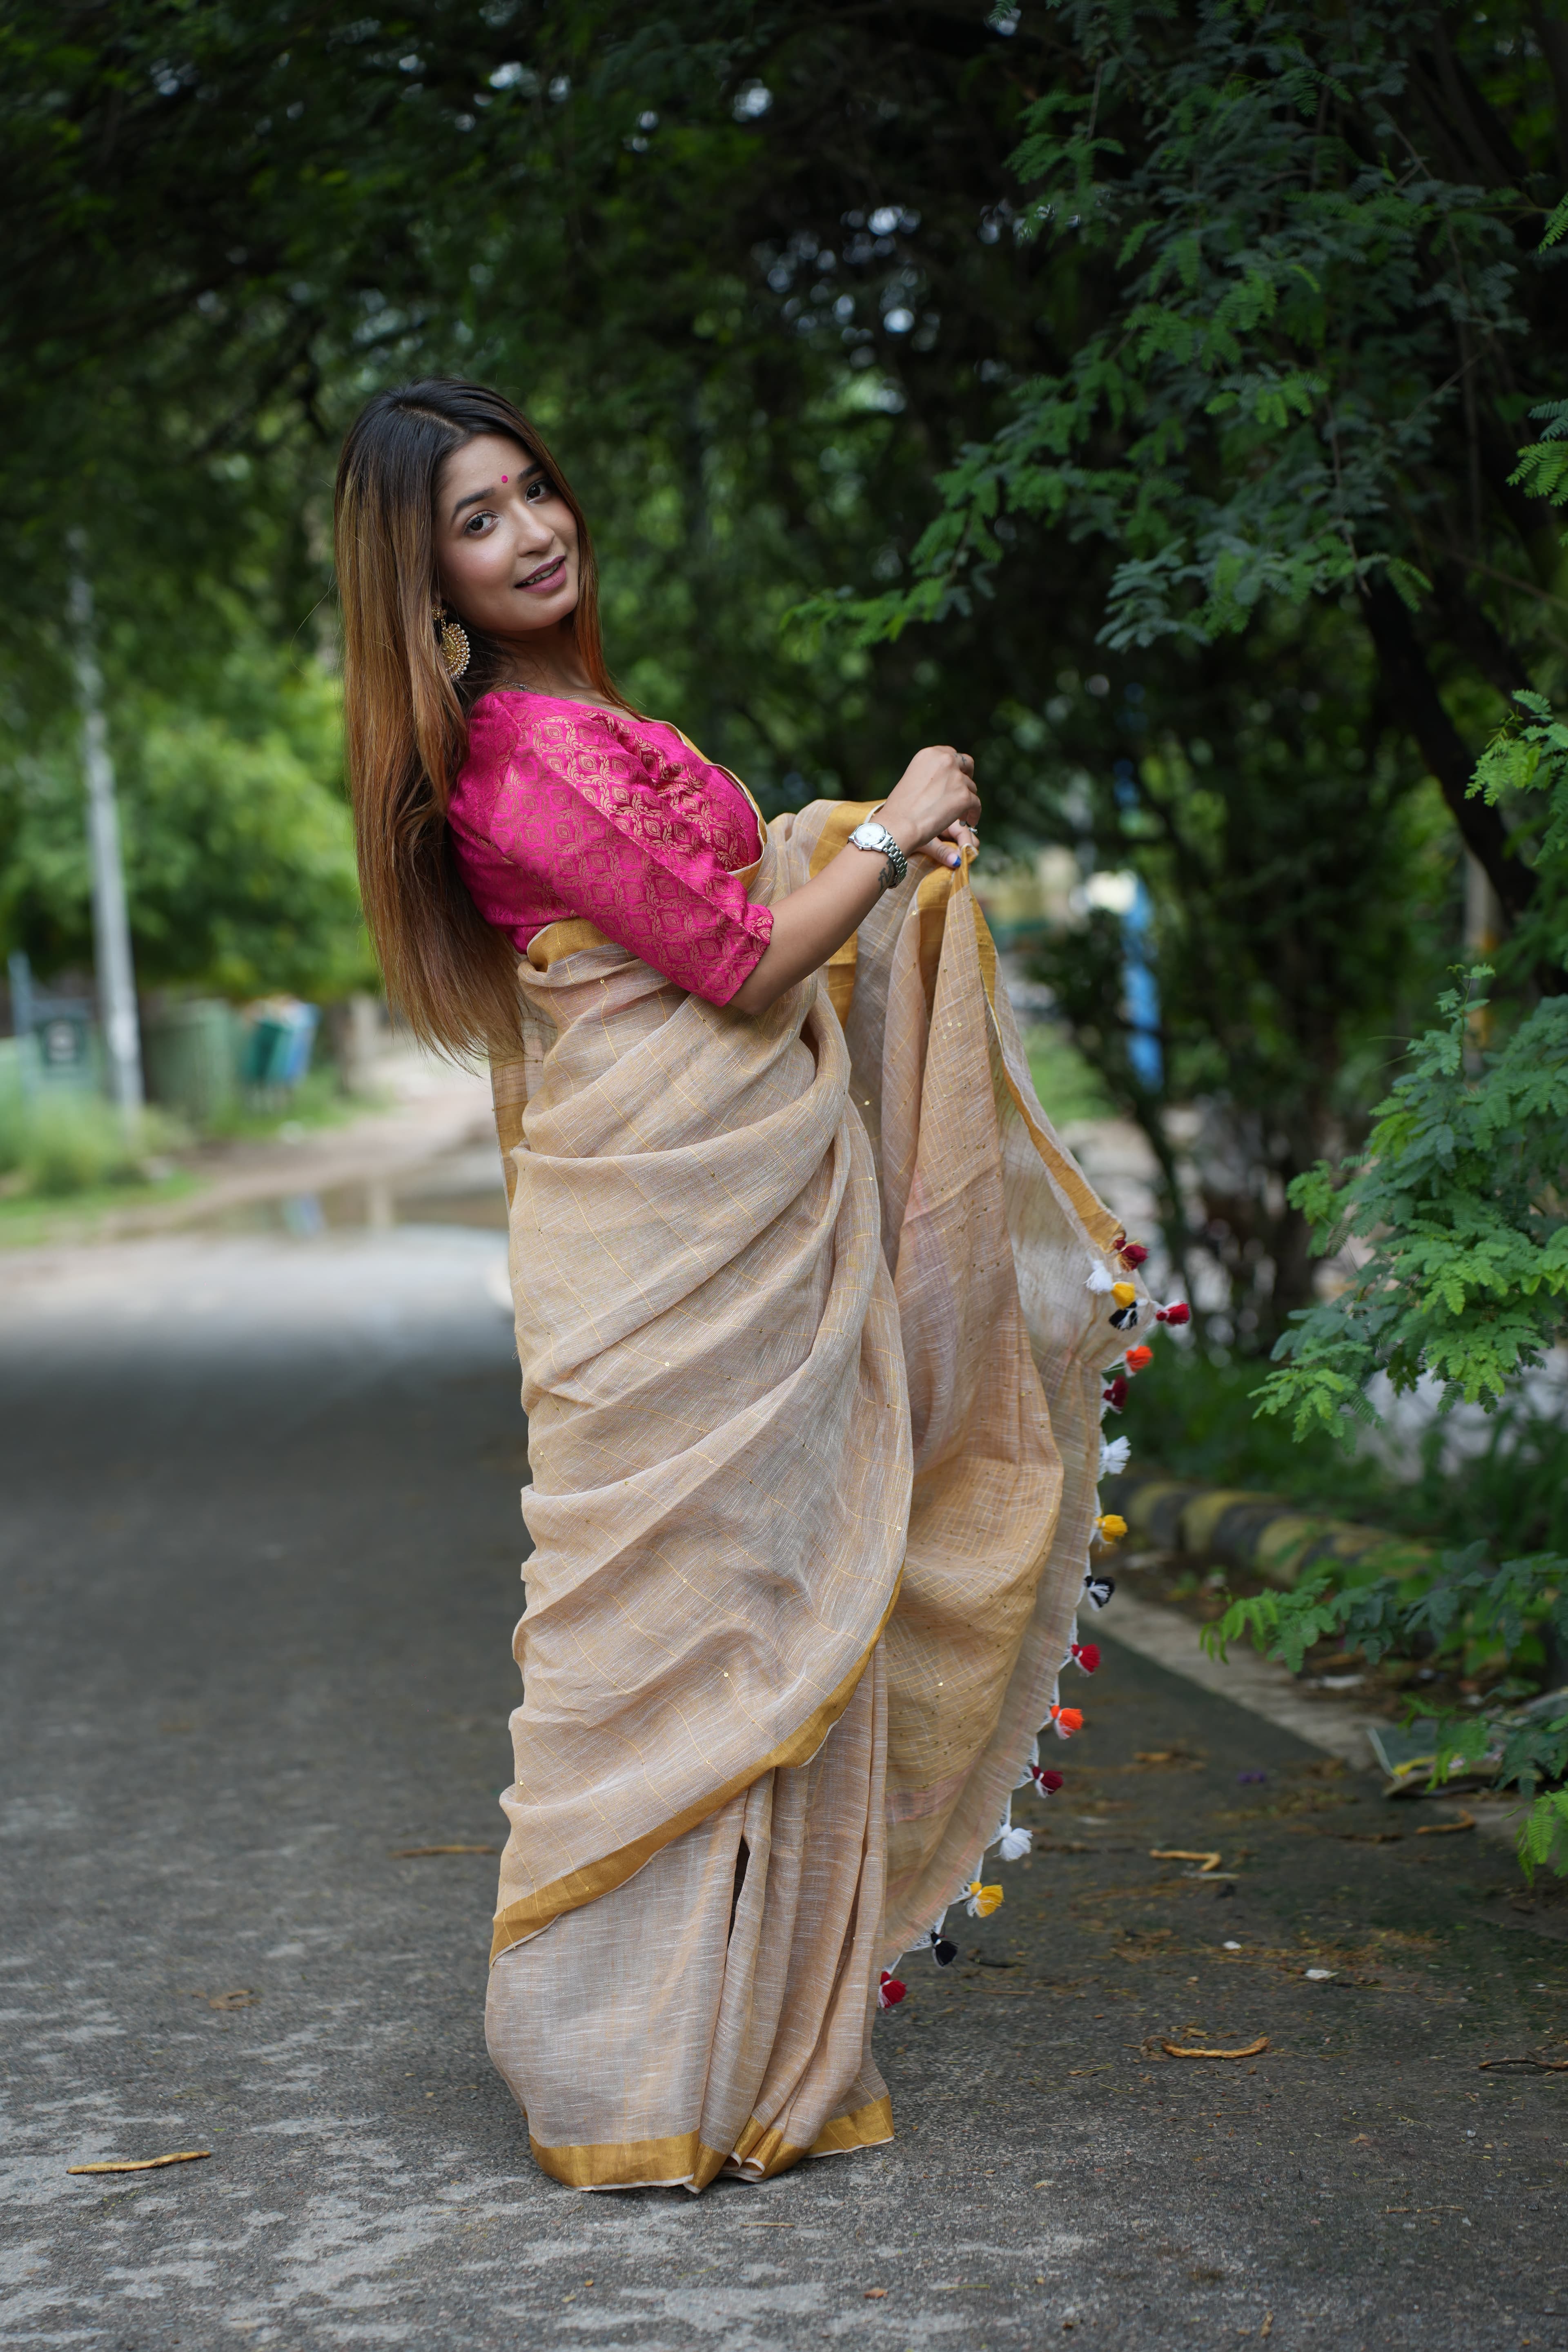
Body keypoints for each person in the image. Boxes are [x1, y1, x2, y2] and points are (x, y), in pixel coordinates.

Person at [334, 376, 1154, 2194]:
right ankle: (632, 2058)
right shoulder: (526, 762)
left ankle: (736, 2040)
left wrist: (849, 838)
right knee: (703, 1616)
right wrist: (899, 822)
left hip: (746, 1207)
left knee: (767, 1598)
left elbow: (726, 887)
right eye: (478, 520)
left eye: (534, 488)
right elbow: (734, 960)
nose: (534, 530)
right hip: (676, 1231)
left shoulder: (591, 725)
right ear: (424, 583)